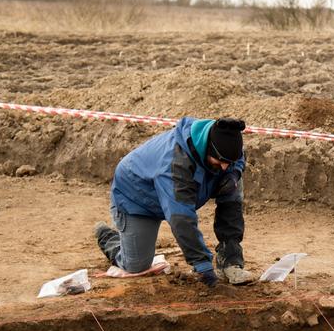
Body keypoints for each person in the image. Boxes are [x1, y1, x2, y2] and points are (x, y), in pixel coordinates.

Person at [94, 116, 256, 287]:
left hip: (182, 184)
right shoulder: (174, 166)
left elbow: (235, 159)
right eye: (221, 161)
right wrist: (202, 265)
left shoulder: (225, 140)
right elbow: (181, 219)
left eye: (228, 162)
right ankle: (108, 237)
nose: (224, 166)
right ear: (205, 149)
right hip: (137, 198)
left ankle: (230, 261)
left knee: (233, 187)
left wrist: (233, 174)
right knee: (136, 266)